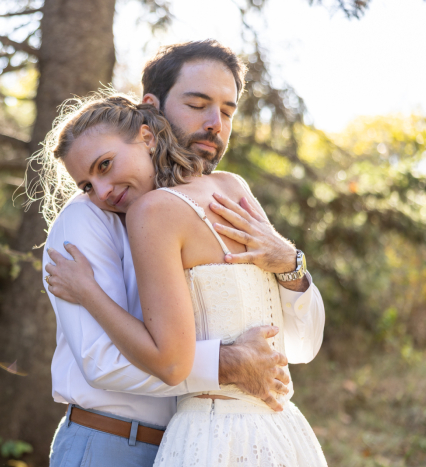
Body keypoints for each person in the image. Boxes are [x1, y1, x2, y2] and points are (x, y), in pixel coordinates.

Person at [36, 40, 326, 466]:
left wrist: (290, 264)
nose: (215, 123)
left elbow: (298, 346)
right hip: (111, 442)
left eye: (228, 110)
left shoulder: (229, 194)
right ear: (152, 111)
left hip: (206, 438)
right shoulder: (89, 218)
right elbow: (103, 362)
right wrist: (227, 364)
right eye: (197, 104)